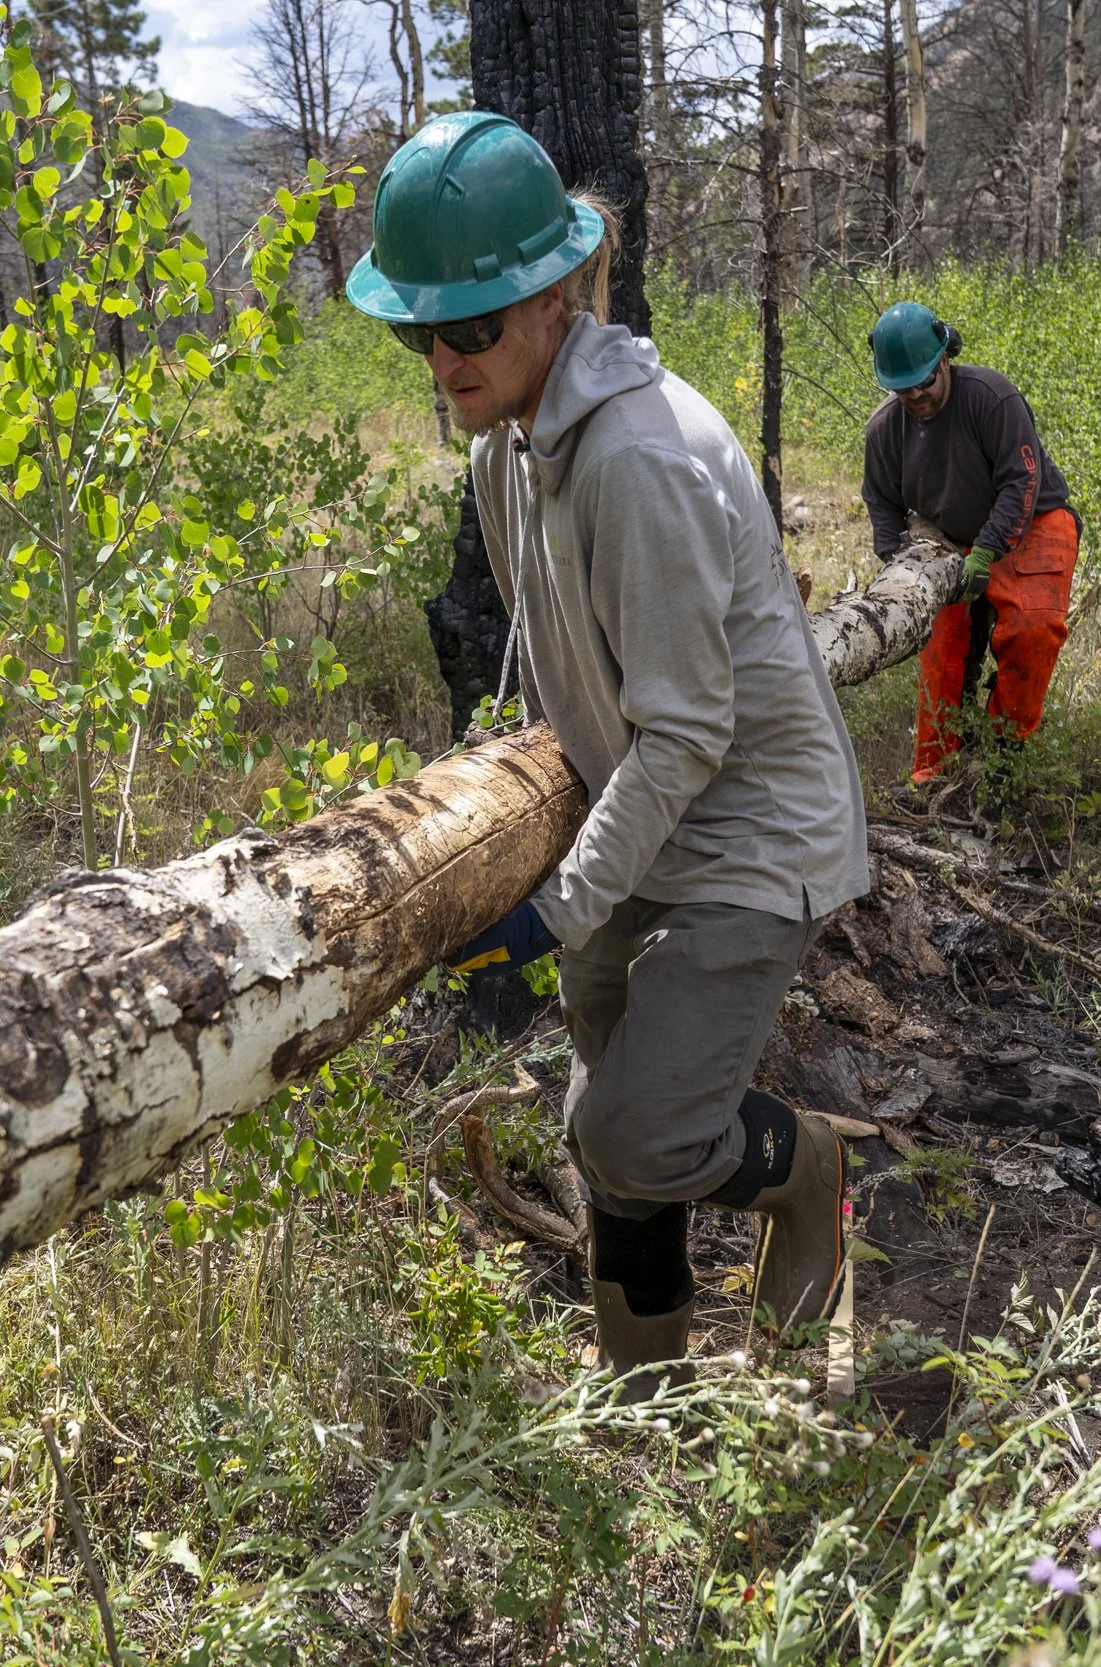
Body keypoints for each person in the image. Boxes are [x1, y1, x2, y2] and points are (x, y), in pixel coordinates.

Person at [346, 112, 870, 1390]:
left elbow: (688, 728)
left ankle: (806, 1166)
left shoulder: (637, 456)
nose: (444, 359)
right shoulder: (507, 446)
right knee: (606, 1130)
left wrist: (556, 906)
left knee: (635, 1133)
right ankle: (646, 1395)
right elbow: (556, 655)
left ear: (558, 296)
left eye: (473, 326)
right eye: (420, 331)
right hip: (634, 810)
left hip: (749, 835)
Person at [860, 302, 1079, 784]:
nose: (916, 395)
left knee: (1033, 630)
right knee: (941, 653)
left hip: (1034, 523)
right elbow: (880, 502)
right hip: (948, 540)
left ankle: (1004, 754)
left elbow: (1021, 482)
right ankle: (935, 773)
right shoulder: (884, 430)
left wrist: (987, 549)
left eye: (924, 381)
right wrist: (898, 566)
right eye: (903, 388)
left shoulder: (991, 398)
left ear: (944, 359)